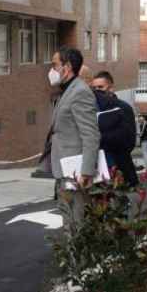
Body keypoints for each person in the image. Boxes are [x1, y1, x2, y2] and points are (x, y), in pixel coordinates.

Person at [46, 47, 101, 223]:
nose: (51, 70)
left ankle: (75, 251)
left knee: (76, 222)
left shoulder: (80, 91)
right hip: (64, 169)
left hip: (76, 172)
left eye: (55, 65)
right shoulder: (67, 90)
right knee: (69, 220)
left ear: (67, 67)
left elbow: (90, 134)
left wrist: (86, 171)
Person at [90, 71, 139, 187]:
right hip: (97, 168)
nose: (97, 91)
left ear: (111, 88)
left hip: (118, 166)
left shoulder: (123, 108)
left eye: (100, 87)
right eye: (94, 88)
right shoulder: (92, 108)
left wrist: (99, 138)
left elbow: (128, 140)